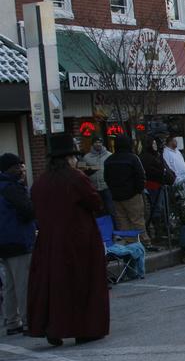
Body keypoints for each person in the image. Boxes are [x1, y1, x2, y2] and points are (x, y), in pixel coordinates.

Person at [26, 133, 108, 346]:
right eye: (73, 157)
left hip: (48, 241)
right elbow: (95, 202)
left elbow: (34, 207)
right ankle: (84, 328)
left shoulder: (40, 182)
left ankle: (53, 326)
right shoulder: (75, 178)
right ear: (68, 158)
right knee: (81, 283)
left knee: (53, 284)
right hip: (77, 240)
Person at [0, 154, 34, 335]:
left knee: (10, 284)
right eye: (18, 166)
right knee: (23, 283)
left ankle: (12, 320)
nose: (21, 169)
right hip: (18, 240)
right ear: (9, 169)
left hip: (3, 242)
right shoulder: (13, 188)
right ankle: (29, 319)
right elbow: (28, 210)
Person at [103, 135, 150, 246]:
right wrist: (138, 190)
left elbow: (106, 178)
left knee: (122, 221)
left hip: (116, 196)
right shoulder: (132, 158)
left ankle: (129, 243)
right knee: (137, 220)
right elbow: (141, 176)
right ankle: (143, 242)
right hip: (133, 195)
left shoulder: (109, 160)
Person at [139, 137, 171, 237]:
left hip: (161, 183)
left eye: (155, 144)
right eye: (153, 144)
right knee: (157, 207)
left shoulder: (157, 155)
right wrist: (162, 171)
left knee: (163, 206)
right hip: (152, 185)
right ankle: (158, 230)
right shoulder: (145, 157)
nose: (155, 146)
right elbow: (150, 171)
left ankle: (165, 227)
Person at [79, 137, 113, 216]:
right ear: (92, 144)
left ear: (102, 143)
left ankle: (113, 227)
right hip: (94, 188)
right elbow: (80, 170)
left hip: (106, 187)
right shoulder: (86, 157)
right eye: (96, 142)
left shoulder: (109, 155)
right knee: (98, 211)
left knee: (110, 210)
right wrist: (91, 168)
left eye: (100, 142)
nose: (98, 144)